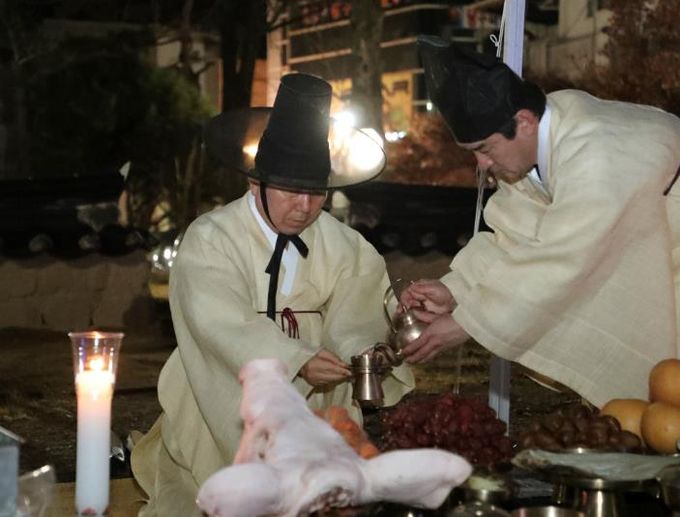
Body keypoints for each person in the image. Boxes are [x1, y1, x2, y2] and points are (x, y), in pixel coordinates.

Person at [131, 73, 414, 516]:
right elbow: (220, 323)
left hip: (321, 404)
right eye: (291, 191)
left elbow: (359, 311)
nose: (305, 206)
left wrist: (361, 351)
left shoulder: (345, 245)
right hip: (221, 402)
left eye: (316, 193)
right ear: (255, 182)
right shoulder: (212, 238)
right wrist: (296, 359)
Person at [399, 35, 680, 409]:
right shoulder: (534, 149)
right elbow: (514, 236)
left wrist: (470, 322)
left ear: (525, 122)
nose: (482, 165)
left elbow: (562, 256)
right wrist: (457, 291)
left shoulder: (596, 151)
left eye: (484, 149)